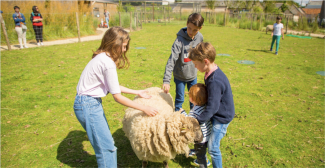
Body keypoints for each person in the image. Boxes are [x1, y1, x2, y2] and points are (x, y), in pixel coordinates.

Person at [73, 27, 158, 168]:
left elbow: (114, 86)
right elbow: (117, 97)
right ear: (115, 43)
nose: (125, 50)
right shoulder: (107, 63)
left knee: (107, 146)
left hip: (87, 104)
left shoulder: (102, 57)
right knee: (107, 149)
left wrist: (138, 92)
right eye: (124, 46)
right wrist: (144, 108)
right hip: (88, 105)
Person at [189, 42, 235, 168]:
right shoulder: (211, 73)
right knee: (209, 139)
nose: (195, 67)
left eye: (196, 64)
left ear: (205, 61)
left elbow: (213, 107)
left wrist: (197, 120)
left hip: (221, 118)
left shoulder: (215, 81)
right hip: (217, 113)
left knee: (213, 148)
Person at [162, 13, 204, 112]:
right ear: (186, 24)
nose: (191, 32)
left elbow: (201, 54)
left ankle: (193, 120)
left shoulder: (200, 38)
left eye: (195, 30)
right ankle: (177, 122)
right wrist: (166, 80)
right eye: (189, 28)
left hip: (193, 76)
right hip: (180, 77)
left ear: (200, 28)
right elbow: (171, 60)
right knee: (179, 100)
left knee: (195, 100)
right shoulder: (179, 41)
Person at [180, 83, 212, 168]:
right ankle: (205, 158)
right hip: (208, 135)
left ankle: (203, 164)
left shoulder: (195, 112)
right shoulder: (205, 107)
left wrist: (182, 112)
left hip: (200, 138)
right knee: (203, 150)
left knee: (200, 154)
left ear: (192, 99)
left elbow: (190, 122)